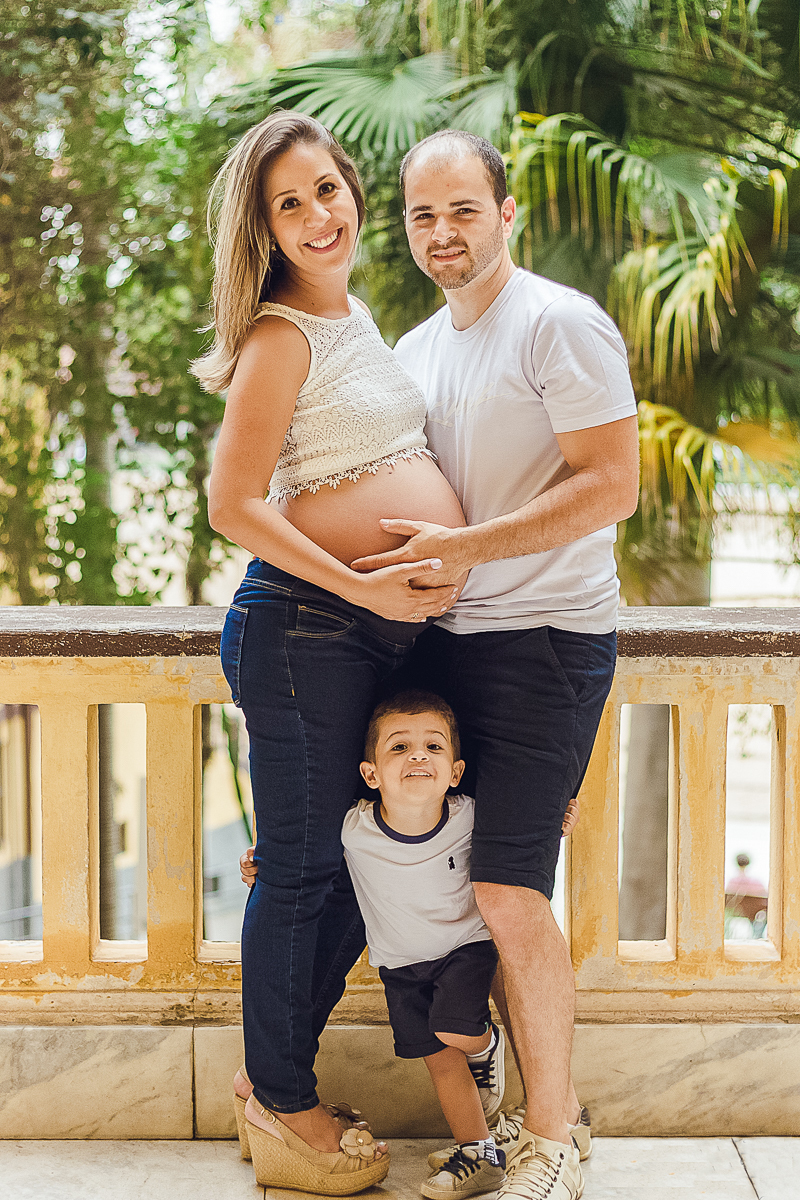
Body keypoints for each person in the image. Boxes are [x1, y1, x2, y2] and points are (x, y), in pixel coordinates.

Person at [350, 130, 641, 1200]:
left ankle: (552, 1138)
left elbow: (611, 484)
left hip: (549, 643)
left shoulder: (557, 324)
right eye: (423, 215)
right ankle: (516, 1120)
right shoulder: (418, 349)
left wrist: (460, 554)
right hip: (443, 653)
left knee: (509, 894)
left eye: (462, 210)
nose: (441, 233)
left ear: (505, 212)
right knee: (482, 894)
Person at [198, 111, 472, 1194]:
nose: (320, 215)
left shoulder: (355, 313)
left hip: (363, 634)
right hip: (304, 627)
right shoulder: (280, 335)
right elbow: (231, 503)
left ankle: (272, 1082)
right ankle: (279, 1092)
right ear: (263, 230)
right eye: (289, 203)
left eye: (328, 188)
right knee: (307, 873)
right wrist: (359, 580)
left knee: (359, 864)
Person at [244, 689, 512, 1198]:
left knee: (457, 1033)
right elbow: (300, 857)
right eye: (399, 748)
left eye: (433, 748)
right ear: (371, 775)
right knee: (437, 1057)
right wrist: (258, 861)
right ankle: (480, 1152)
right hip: (400, 965)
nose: (418, 756)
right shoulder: (353, 830)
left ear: (455, 771)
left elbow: (527, 834)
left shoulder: (471, 817)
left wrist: (559, 822)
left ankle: (487, 1044)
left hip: (464, 948)